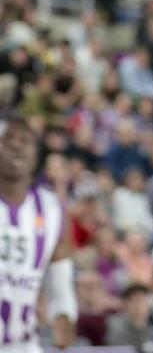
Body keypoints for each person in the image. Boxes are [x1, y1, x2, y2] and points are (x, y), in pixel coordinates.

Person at [0, 118, 75, 351]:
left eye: (25, 141)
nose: (17, 146)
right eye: (7, 140)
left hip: (23, 344)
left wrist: (63, 317)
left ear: (36, 154)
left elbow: (60, 287)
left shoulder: (53, 209)